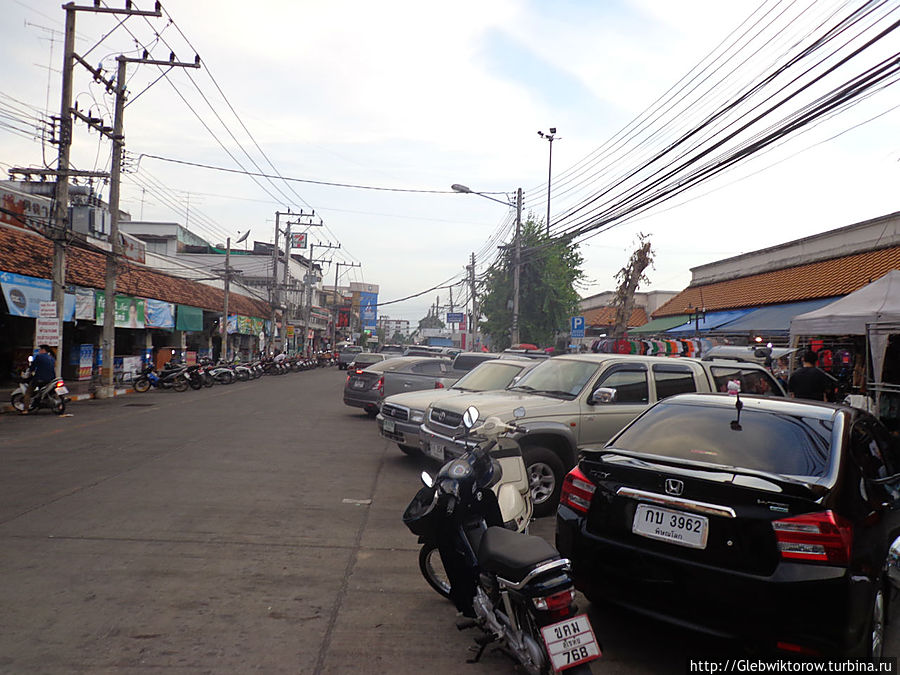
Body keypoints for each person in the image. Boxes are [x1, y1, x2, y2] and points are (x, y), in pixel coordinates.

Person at [22, 344, 56, 414]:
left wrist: (28, 372)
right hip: (50, 379)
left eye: (40, 350)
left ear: (43, 350)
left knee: (28, 393)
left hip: (39, 379)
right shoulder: (52, 358)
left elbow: (32, 367)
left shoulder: (39, 357)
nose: (39, 351)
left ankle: (25, 409)